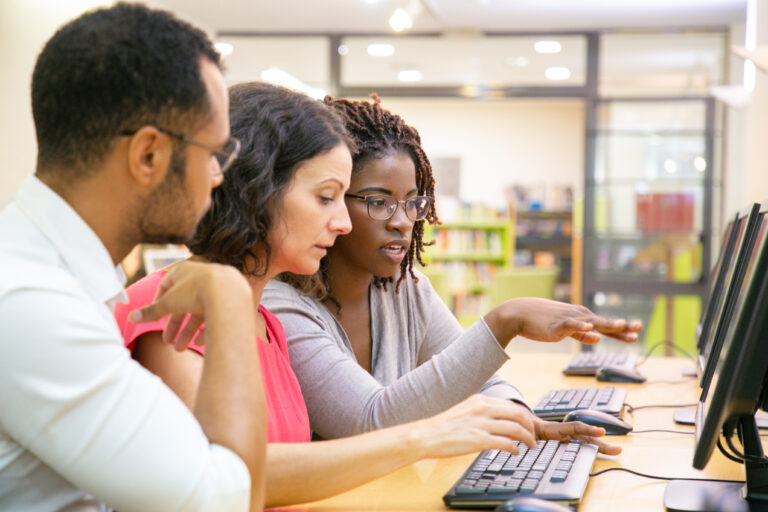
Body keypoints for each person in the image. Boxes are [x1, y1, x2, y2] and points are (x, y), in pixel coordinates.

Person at [114, 82, 620, 509]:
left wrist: (502, 422)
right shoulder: (175, 308)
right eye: (326, 198)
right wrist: (428, 434)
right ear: (258, 189)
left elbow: (277, 470)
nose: (340, 222)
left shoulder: (258, 320)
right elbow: (234, 478)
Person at [0, 4, 267, 511]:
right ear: (149, 155)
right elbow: (226, 502)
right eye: (214, 153)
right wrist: (229, 292)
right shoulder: (31, 301)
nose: (218, 176)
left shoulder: (52, 273)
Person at [265, 95, 642, 440]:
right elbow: (368, 421)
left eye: (413, 202)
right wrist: (503, 321)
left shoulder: (405, 289)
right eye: (379, 202)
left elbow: (483, 383)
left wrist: (523, 420)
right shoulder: (279, 305)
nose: (402, 221)